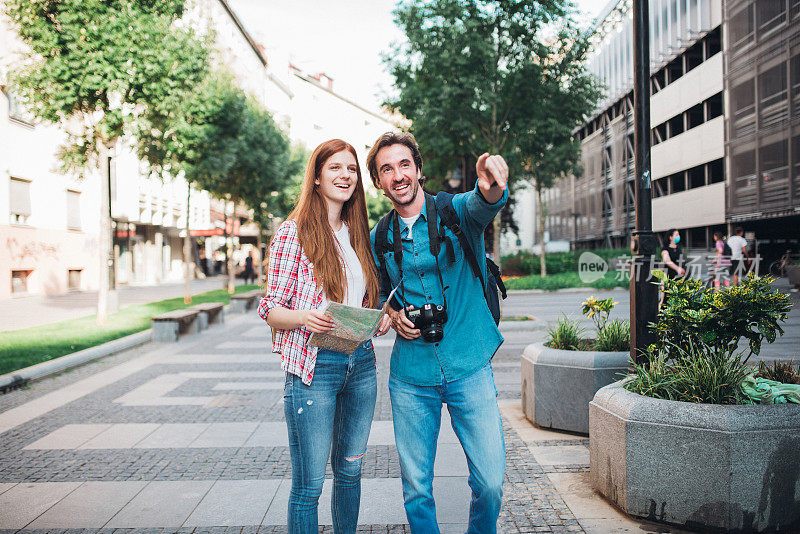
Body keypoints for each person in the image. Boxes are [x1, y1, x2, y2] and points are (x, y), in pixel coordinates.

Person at [368, 131, 508, 533]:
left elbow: (484, 201)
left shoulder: (454, 212)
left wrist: (489, 180)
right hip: (411, 377)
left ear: (419, 169)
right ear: (379, 182)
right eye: (386, 169)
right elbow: (377, 294)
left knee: (491, 483)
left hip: (470, 364)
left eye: (404, 164)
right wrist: (391, 314)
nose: (398, 175)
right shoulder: (379, 236)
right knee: (416, 488)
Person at [257, 139, 386, 533]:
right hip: (314, 367)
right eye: (335, 168)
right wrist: (304, 318)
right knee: (309, 485)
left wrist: (375, 318)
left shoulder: (356, 232)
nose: (345, 175)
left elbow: (361, 297)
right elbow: (270, 309)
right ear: (316, 177)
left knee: (350, 473)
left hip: (360, 363)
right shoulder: (292, 233)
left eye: (351, 169)